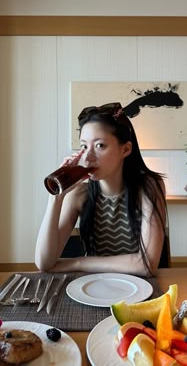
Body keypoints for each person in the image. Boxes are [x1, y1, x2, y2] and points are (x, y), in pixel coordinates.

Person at [35, 102, 167, 277]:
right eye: (84, 146)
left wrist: (78, 262)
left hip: (140, 288)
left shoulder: (149, 186)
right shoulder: (79, 194)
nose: (88, 157)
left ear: (125, 149)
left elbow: (146, 265)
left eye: (100, 146)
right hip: (93, 285)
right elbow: (44, 262)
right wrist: (56, 198)